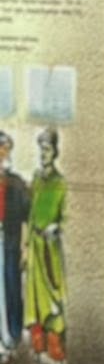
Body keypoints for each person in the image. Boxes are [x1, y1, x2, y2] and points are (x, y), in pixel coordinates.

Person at [24, 127, 64, 363]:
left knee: (53, 293)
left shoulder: (59, 182)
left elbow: (66, 214)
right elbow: (30, 213)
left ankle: (54, 344)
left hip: (50, 247)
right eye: (41, 149)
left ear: (55, 152)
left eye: (47, 149)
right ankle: (37, 344)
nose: (43, 154)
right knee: (34, 295)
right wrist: (26, 245)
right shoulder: (37, 179)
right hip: (34, 246)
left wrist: (55, 227)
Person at [0, 132, 27, 349]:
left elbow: (26, 217)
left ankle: (13, 335)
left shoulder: (17, 183)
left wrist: (25, 247)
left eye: (5, 150)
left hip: (10, 242)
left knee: (11, 286)